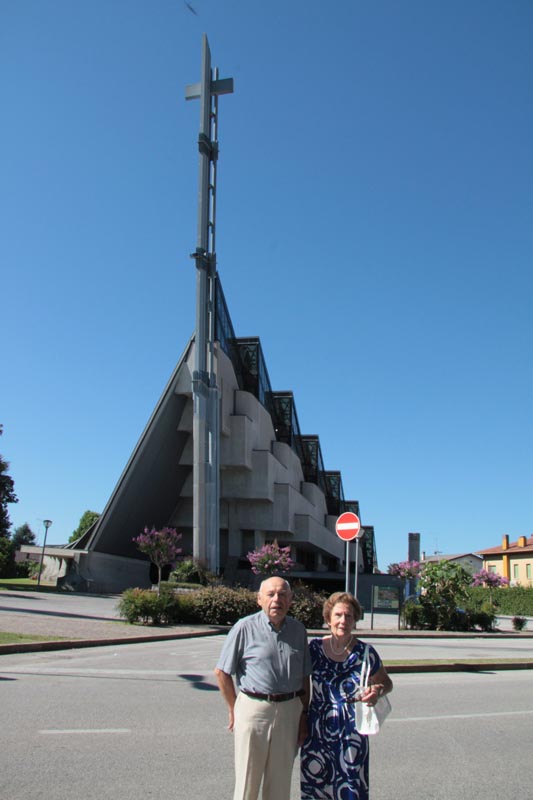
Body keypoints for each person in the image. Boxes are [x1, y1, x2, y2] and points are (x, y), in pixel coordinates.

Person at [215, 576, 311, 800]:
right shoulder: (244, 627)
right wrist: (234, 708)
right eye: (271, 594)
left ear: (291, 600)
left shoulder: (298, 631)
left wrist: (304, 714)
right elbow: (221, 672)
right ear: (259, 599)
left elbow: (305, 677)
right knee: (247, 783)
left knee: (280, 784)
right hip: (254, 710)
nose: (277, 599)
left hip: (289, 712)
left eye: (283, 594)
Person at [300, 591, 393, 800]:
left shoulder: (365, 653)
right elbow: (303, 686)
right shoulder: (314, 649)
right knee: (317, 786)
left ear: (355, 620)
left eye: (348, 616)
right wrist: (302, 718)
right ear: (328, 619)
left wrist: (376, 691)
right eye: (338, 615)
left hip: (352, 731)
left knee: (350, 787)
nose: (343, 620)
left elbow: (387, 683)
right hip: (317, 729)